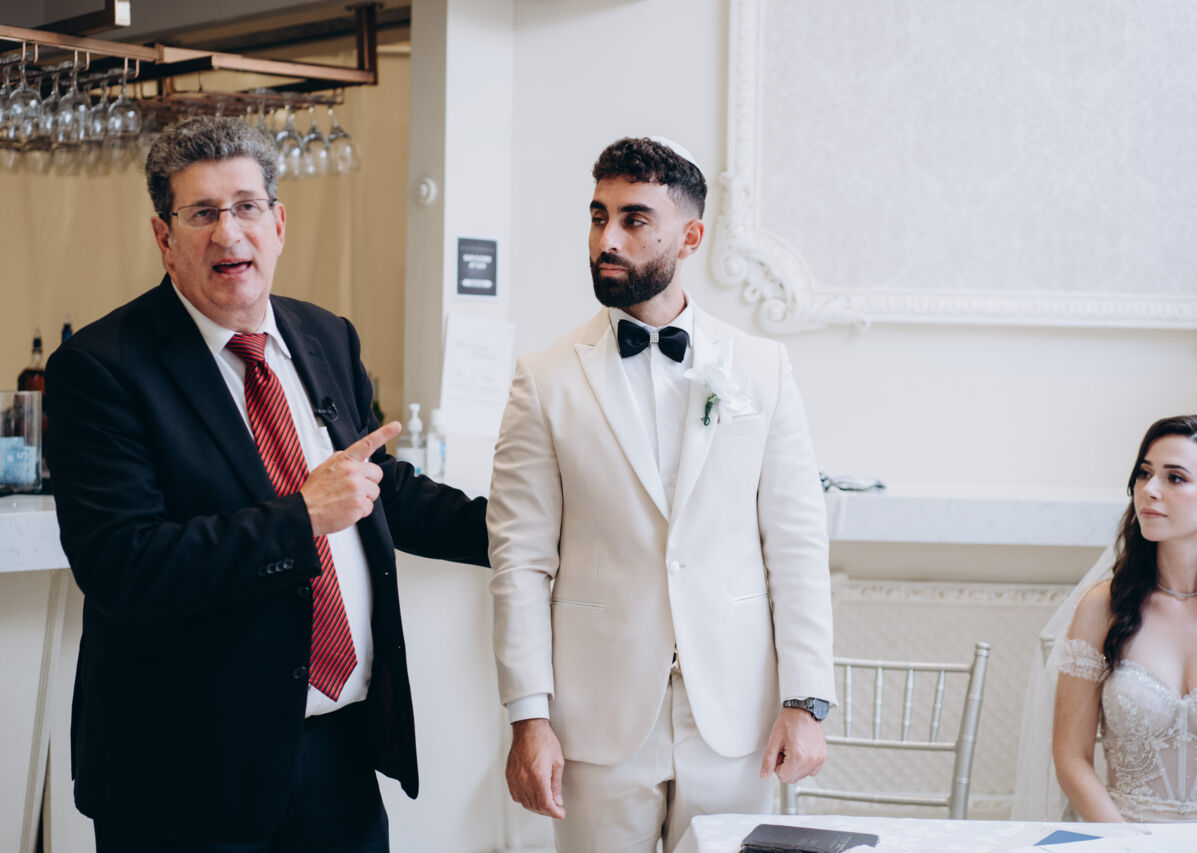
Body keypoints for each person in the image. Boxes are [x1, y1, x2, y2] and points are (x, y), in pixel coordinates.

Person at [43, 116, 488, 852]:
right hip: (184, 771)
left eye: (246, 206)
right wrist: (301, 516)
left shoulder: (326, 335)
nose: (229, 233)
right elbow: (123, 564)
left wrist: (524, 532)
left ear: (278, 223)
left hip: (338, 752)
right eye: (202, 213)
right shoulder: (100, 368)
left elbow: (379, 488)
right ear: (164, 237)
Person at [487, 136, 836, 851]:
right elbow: (520, 560)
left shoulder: (763, 369)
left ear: (691, 237)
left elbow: (797, 543)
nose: (606, 240)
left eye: (634, 219)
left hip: (735, 718)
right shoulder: (544, 379)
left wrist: (806, 701)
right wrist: (529, 716)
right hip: (597, 719)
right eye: (598, 216)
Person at [1030, 415, 1197, 822]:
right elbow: (1071, 759)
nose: (1149, 489)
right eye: (1145, 473)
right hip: (1121, 835)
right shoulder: (1103, 607)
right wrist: (1124, 844)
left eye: (1175, 478)